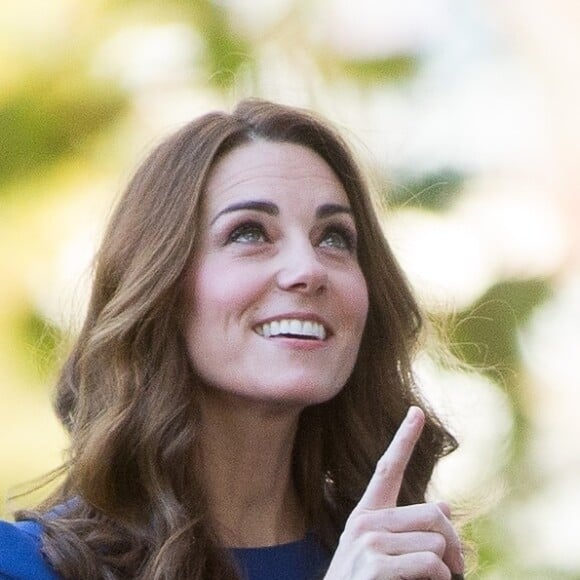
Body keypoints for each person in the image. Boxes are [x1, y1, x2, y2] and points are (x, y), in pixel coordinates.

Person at [0, 99, 464, 579]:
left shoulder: (399, 558)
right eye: (249, 233)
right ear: (161, 287)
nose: (308, 269)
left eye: (334, 238)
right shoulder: (20, 565)